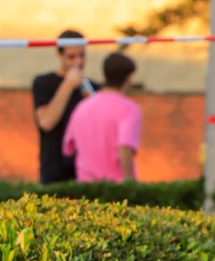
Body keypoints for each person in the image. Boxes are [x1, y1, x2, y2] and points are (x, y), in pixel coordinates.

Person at [63, 52, 142, 183]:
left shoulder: (82, 107)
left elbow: (68, 148)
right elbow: (125, 148)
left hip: (85, 187)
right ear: (128, 79)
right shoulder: (129, 109)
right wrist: (129, 182)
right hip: (116, 189)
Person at [32, 29, 95, 183]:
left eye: (82, 56)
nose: (78, 62)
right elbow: (46, 122)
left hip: (86, 171)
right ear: (60, 55)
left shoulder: (92, 87)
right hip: (54, 170)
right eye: (71, 57)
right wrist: (68, 85)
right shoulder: (44, 83)